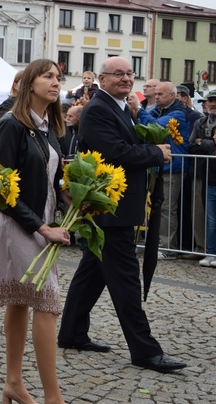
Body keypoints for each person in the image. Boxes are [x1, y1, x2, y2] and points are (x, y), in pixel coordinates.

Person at [58, 56, 186, 374]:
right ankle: (145, 351)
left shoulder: (118, 106)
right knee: (127, 281)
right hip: (110, 211)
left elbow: (122, 147)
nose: (127, 78)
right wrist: (155, 153)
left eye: (130, 73)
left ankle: (71, 333)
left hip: (115, 209)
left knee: (91, 273)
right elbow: (115, 152)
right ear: (102, 78)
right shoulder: (99, 108)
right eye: (119, 74)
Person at [0, 58, 70, 404]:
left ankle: (12, 383)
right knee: (46, 302)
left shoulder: (47, 126)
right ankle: (53, 397)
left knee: (22, 303)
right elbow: (0, 187)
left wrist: (72, 193)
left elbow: (50, 177)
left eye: (58, 77)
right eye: (48, 76)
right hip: (20, 224)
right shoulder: (11, 125)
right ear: (30, 84)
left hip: (42, 223)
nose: (56, 82)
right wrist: (40, 227)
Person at [137, 81, 190, 256]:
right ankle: (154, 241)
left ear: (172, 96)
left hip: (172, 167)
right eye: (156, 94)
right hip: (157, 166)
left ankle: (168, 246)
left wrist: (138, 110)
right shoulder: (156, 110)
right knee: (154, 207)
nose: (156, 96)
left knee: (167, 208)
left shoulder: (179, 113)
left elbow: (156, 127)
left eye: (160, 94)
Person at [190, 90, 216, 264]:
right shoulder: (201, 122)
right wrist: (209, 143)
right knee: (211, 218)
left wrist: (202, 142)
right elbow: (191, 145)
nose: (212, 104)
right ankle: (211, 253)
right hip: (208, 176)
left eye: (215, 101)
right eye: (210, 101)